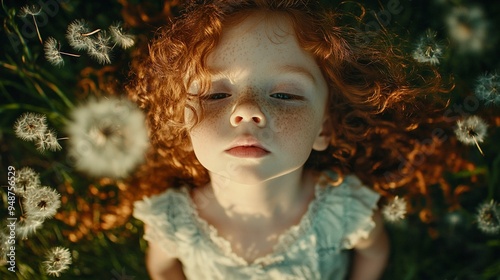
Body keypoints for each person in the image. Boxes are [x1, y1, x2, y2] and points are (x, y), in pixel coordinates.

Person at [127, 0, 449, 279]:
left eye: (284, 94)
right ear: (184, 123)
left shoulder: (344, 212)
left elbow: (374, 253)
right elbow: (162, 269)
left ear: (324, 127)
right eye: (216, 94)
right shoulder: (175, 223)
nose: (247, 110)